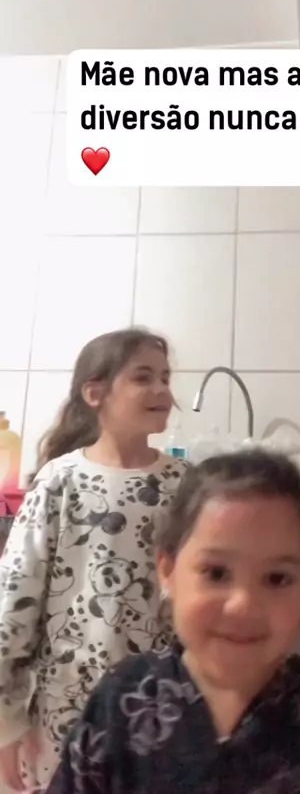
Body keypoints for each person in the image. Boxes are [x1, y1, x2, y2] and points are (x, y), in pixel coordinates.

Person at [44, 450, 300, 794]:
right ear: (167, 571)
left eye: (277, 578)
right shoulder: (121, 701)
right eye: (216, 573)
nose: (243, 605)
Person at [0, 327, 188, 791]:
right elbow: (15, 600)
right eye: (143, 377)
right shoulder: (59, 481)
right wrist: (5, 723)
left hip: (161, 710)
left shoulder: (186, 485)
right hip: (66, 712)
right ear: (95, 393)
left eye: (165, 378)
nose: (162, 389)